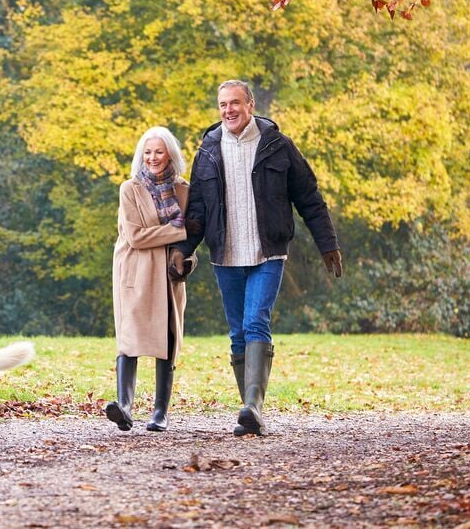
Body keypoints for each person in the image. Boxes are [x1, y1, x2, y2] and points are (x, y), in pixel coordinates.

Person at [172, 80, 342, 437]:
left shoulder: (278, 146)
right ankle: (249, 412)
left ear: (250, 105)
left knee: (255, 322)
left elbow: (309, 197)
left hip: (269, 251)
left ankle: (254, 407)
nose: (228, 110)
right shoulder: (209, 150)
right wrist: (184, 250)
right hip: (226, 254)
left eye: (235, 103)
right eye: (222, 105)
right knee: (237, 333)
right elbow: (199, 210)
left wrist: (327, 243)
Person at [107, 126, 201, 433]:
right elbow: (135, 236)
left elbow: (192, 242)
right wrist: (182, 230)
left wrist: (187, 258)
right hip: (135, 270)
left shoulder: (185, 190)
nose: (153, 158)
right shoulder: (130, 189)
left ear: (170, 154)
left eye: (159, 151)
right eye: (147, 152)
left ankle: (160, 411)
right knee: (130, 338)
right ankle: (124, 406)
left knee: (168, 338)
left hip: (167, 275)